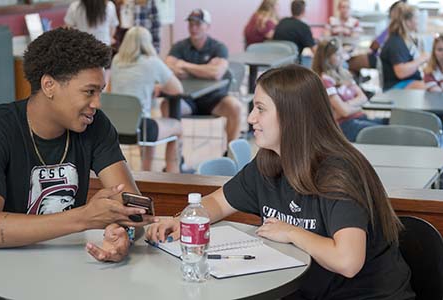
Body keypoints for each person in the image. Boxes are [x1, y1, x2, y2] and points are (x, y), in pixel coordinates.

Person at [147, 65, 415, 300]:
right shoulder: (269, 162)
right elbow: (218, 201)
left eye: (260, 109)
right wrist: (184, 221)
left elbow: (348, 261)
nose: (251, 118)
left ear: (292, 116)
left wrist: (292, 232)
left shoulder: (338, 173)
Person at [0, 28, 157, 300]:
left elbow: (134, 208)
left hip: (61, 279)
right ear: (49, 86)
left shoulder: (96, 126)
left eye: (100, 91)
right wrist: (84, 218)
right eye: (89, 91)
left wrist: (123, 236)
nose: (97, 103)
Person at [164, 9, 241, 149]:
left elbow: (216, 73)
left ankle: (230, 153)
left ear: (207, 26)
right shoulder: (179, 46)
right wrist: (205, 69)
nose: (194, 28)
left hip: (214, 99)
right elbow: (168, 67)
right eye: (191, 24)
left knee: (235, 107)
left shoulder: (218, 47)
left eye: (198, 24)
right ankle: (176, 156)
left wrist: (185, 65)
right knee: (166, 105)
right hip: (187, 100)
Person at [110, 26, 184, 173]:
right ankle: (173, 174)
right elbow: (177, 89)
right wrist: (159, 87)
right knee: (177, 128)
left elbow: (110, 90)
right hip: (140, 127)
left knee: (147, 126)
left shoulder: (116, 61)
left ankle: (146, 172)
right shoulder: (152, 62)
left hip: (115, 125)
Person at [312, 39, 387, 142]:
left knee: (389, 122)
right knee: (387, 132)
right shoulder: (325, 81)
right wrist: (358, 106)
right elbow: (345, 112)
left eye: (341, 53)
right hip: (345, 125)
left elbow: (363, 97)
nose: (342, 57)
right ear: (326, 58)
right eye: (337, 55)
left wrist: (347, 105)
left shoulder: (345, 74)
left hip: (358, 118)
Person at [380, 3, 429, 90]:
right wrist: (422, 59)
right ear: (408, 21)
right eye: (416, 18)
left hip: (409, 81)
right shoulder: (396, 42)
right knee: (432, 88)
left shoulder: (406, 40)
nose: (418, 21)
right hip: (397, 86)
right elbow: (401, 72)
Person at [273, 0, 316, 64]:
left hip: (276, 61)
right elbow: (314, 50)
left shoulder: (282, 22)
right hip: (293, 65)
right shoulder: (303, 27)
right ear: (303, 11)